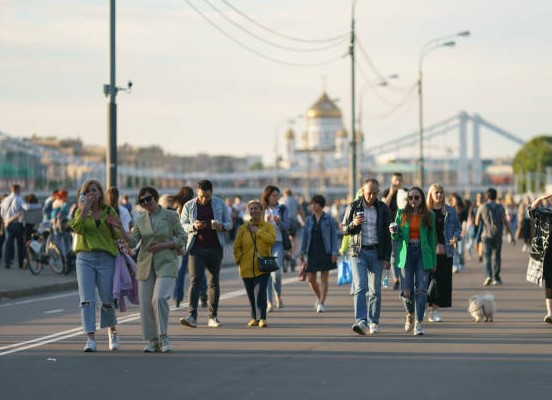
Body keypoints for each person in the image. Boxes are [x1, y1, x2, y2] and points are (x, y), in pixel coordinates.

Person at [122, 186, 186, 352]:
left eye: (148, 199)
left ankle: (163, 337)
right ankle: (152, 340)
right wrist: (119, 229)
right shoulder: (140, 219)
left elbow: (182, 237)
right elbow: (132, 242)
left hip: (166, 262)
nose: (145, 202)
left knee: (158, 299)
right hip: (145, 264)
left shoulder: (170, 215)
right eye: (142, 201)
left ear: (156, 198)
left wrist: (165, 245)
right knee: (146, 305)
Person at [70, 179, 121, 352]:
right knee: (87, 299)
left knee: (107, 298)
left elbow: (117, 235)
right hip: (85, 257)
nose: (91, 193)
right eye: (87, 191)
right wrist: (84, 209)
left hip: (106, 257)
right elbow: (77, 228)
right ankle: (90, 338)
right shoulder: (81, 211)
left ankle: (112, 331)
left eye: (94, 190)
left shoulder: (109, 210)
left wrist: (114, 226)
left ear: (100, 193)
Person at [179, 179, 232, 328]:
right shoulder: (189, 205)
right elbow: (181, 225)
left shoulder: (220, 204)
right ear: (197, 191)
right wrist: (193, 226)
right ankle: (192, 316)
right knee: (195, 281)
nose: (204, 199)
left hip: (215, 247)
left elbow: (230, 223)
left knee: (214, 282)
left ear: (212, 193)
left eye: (207, 197)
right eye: (202, 196)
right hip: (196, 248)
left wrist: (222, 226)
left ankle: (212, 317)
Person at [342, 179, 392, 335]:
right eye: (369, 192)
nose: (371, 196)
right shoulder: (353, 206)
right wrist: (353, 224)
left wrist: (387, 258)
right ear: (363, 190)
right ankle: (361, 321)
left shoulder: (383, 208)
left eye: (375, 193)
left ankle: (374, 321)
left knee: (375, 290)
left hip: (377, 252)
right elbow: (344, 229)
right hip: (358, 252)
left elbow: (387, 234)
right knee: (360, 286)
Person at [391, 186, 436, 336]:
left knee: (421, 289)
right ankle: (409, 314)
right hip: (406, 253)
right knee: (406, 290)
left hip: (423, 254)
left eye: (417, 197)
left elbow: (432, 239)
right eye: (410, 198)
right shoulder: (401, 214)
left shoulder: (428, 215)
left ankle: (418, 323)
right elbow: (396, 238)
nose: (413, 201)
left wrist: (434, 261)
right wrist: (393, 233)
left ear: (422, 198)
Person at [233, 200, 276, 328]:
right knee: (251, 294)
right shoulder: (243, 228)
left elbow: (271, 240)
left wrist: (257, 231)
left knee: (260, 292)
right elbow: (237, 246)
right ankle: (254, 317)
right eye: (251, 209)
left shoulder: (268, 227)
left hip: (262, 266)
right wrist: (238, 259)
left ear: (261, 210)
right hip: (246, 268)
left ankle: (262, 318)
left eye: (256, 208)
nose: (253, 211)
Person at [426, 184, 461, 322]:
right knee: (427, 281)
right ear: (431, 194)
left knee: (441, 282)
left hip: (445, 252)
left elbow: (458, 228)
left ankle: (434, 310)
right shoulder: (426, 211)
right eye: (436, 192)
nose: (439, 195)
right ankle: (426, 308)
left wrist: (456, 237)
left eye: (441, 192)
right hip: (428, 252)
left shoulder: (450, 211)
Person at [168, 186, 207, 308]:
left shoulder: (178, 209)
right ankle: (203, 294)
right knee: (198, 270)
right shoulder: (193, 207)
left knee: (181, 270)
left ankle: (178, 297)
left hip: (181, 242)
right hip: (193, 240)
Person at [299, 194, 339, 313]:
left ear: (321, 205)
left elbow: (334, 237)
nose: (313, 206)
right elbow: (305, 237)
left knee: (324, 278)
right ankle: (319, 296)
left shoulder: (329, 219)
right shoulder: (308, 219)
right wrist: (302, 252)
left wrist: (334, 252)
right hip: (311, 251)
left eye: (315, 204)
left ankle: (321, 302)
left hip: (325, 251)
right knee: (311, 279)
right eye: (312, 204)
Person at [475, 187, 515, 286]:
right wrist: (511, 235)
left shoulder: (482, 206)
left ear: (486, 196)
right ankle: (496, 278)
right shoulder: (500, 207)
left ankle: (488, 275)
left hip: (486, 235)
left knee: (487, 256)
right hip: (497, 234)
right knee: (497, 256)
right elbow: (505, 222)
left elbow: (476, 222)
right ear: (496, 196)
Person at [261, 185, 290, 312]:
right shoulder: (261, 209)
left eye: (278, 195)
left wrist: (278, 222)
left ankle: (278, 294)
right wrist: (265, 223)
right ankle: (269, 302)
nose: (277, 198)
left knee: (276, 272)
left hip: (278, 242)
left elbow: (287, 225)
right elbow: (254, 227)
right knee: (267, 273)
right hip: (265, 244)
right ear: (267, 196)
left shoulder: (283, 209)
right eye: (274, 195)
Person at [527, 192, 552, 323]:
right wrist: (540, 198)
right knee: (549, 284)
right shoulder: (545, 213)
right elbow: (531, 210)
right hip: (548, 254)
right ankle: (550, 313)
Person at [382, 172, 408, 290]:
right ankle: (396, 278)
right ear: (392, 181)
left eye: (399, 180)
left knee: (402, 253)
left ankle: (403, 277)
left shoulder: (406, 192)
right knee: (393, 254)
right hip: (391, 227)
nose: (397, 182)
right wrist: (392, 193)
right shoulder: (387, 192)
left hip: (403, 227)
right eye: (395, 180)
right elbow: (383, 206)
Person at [281, 188, 306, 272]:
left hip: (283, 222)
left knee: (284, 238)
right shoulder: (295, 200)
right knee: (294, 239)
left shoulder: (281, 200)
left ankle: (285, 253)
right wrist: (303, 221)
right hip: (293, 221)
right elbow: (301, 211)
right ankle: (292, 255)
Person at [1, 184, 25, 269]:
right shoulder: (19, 199)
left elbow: (2, 212)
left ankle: (7, 263)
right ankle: (21, 264)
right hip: (17, 223)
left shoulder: (6, 199)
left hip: (7, 224)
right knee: (20, 244)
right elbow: (25, 208)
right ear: (17, 190)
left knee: (8, 243)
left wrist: (5, 220)